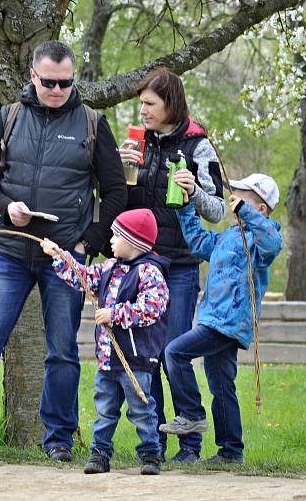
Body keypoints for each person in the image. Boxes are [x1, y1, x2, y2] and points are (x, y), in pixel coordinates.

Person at [0, 41, 127, 463]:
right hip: (8, 250)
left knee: (62, 348)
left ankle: (59, 439)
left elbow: (115, 193)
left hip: (65, 258)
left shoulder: (93, 124)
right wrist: (5, 206)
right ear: (32, 76)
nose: (57, 90)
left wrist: (87, 245)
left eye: (65, 83)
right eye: (49, 83)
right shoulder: (7, 119)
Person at [118, 68, 225, 463]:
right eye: (141, 103)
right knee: (145, 354)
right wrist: (117, 170)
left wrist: (193, 190)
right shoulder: (136, 143)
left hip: (179, 264)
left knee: (171, 351)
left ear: (170, 105)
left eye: (150, 103)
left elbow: (216, 211)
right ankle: (155, 442)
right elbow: (119, 205)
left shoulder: (198, 147)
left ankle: (191, 444)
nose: (142, 110)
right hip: (143, 263)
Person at [159, 173, 283, 464]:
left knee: (174, 352)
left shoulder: (261, 240)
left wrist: (246, 212)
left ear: (260, 208)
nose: (232, 201)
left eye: (240, 197)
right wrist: (185, 206)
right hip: (213, 319)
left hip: (229, 322)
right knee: (222, 384)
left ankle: (191, 414)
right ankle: (231, 452)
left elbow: (274, 242)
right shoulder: (228, 237)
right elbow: (199, 241)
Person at [40, 208, 170, 475]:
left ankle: (150, 455)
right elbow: (84, 278)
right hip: (107, 360)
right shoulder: (109, 267)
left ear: (133, 241)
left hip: (136, 360)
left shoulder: (150, 272)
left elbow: (152, 308)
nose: (110, 240)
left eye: (115, 235)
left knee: (142, 410)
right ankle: (100, 454)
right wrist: (60, 256)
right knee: (105, 410)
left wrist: (115, 314)